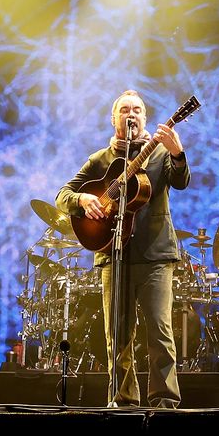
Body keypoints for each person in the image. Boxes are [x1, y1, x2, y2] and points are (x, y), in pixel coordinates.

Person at [58, 89, 191, 408]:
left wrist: (177, 153)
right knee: (117, 335)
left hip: (155, 255)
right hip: (113, 254)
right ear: (113, 118)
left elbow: (181, 180)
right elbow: (63, 196)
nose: (131, 114)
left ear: (145, 118)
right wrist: (82, 199)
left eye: (137, 110)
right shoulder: (100, 160)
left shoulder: (159, 152)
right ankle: (123, 401)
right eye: (125, 110)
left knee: (160, 331)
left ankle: (164, 402)